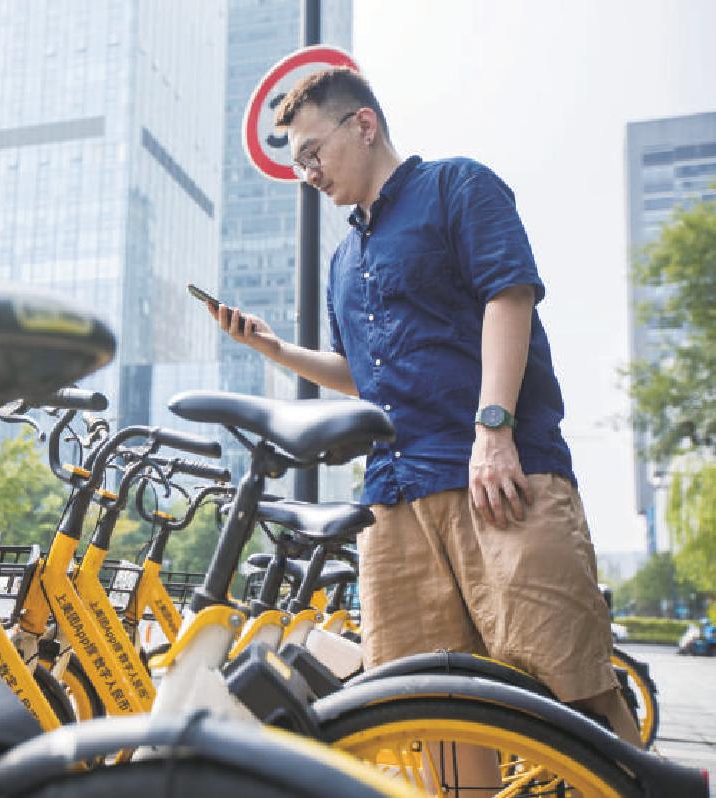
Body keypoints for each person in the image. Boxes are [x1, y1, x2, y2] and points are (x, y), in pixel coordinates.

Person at [211, 67, 641, 749]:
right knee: (428, 708)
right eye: (297, 164)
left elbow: (509, 293)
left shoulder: (457, 186)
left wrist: (492, 430)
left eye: (312, 153)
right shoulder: (343, 260)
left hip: (499, 480)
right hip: (393, 499)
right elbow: (360, 374)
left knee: (571, 686)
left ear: (362, 123)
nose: (308, 174)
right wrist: (276, 350)